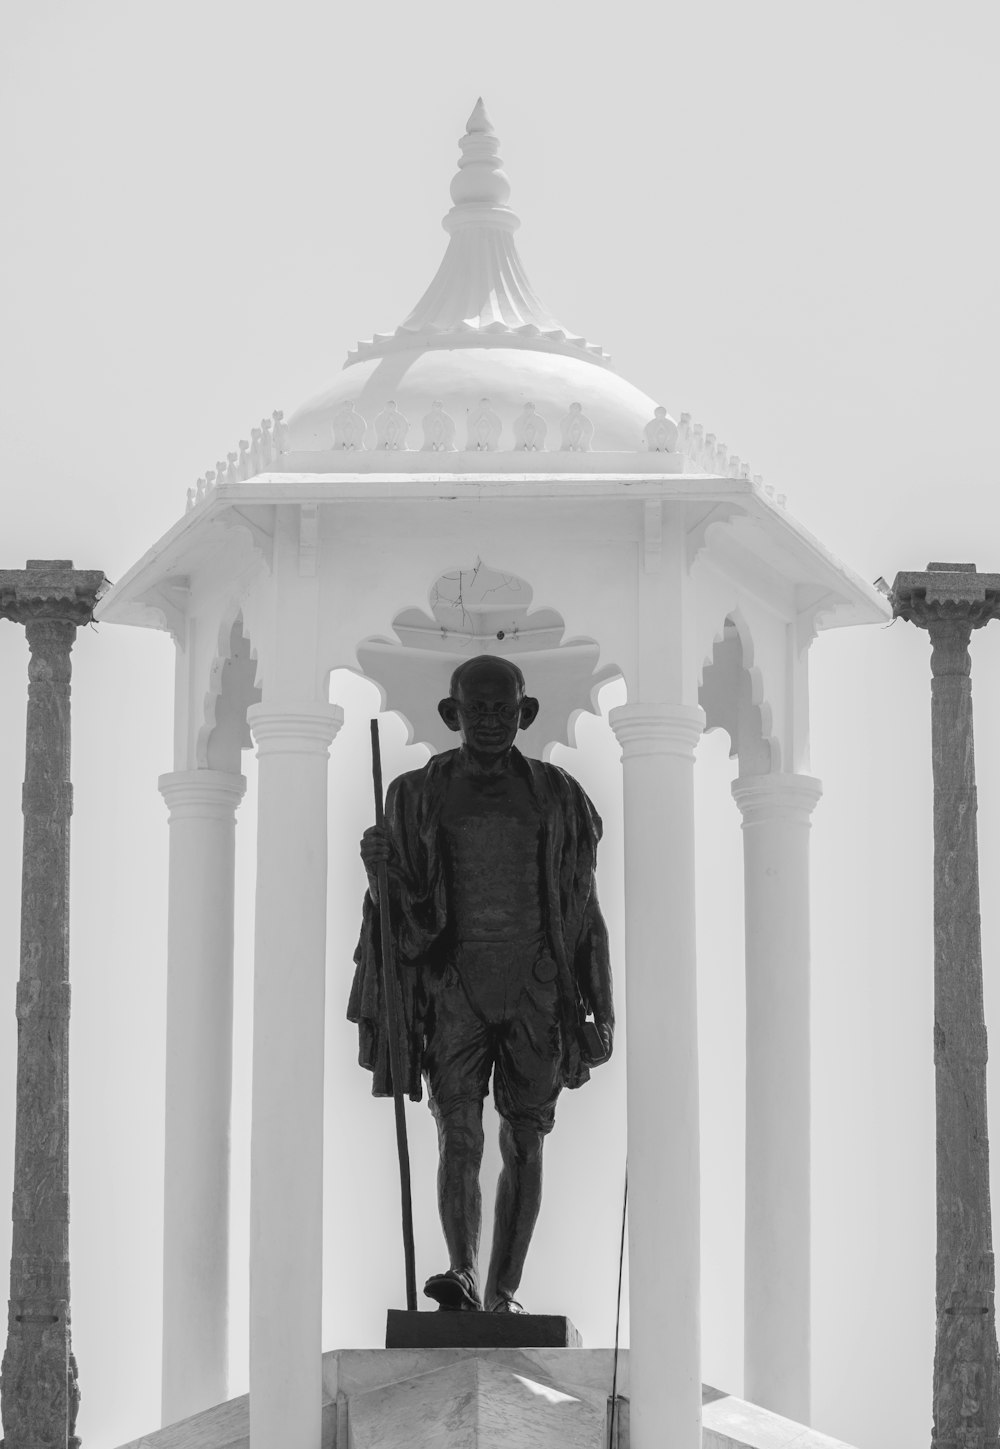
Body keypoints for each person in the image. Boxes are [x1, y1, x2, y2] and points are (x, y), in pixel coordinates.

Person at [349, 654, 614, 1313]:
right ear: (451, 715)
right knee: (457, 1129)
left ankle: (503, 1294)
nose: (492, 722)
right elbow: (404, 916)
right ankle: (461, 1272)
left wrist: (597, 1004)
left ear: (525, 714)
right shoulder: (414, 795)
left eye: (504, 710)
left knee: (524, 1138)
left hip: (538, 986)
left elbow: (584, 909)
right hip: (454, 983)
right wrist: (380, 872)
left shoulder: (560, 797)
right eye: (478, 710)